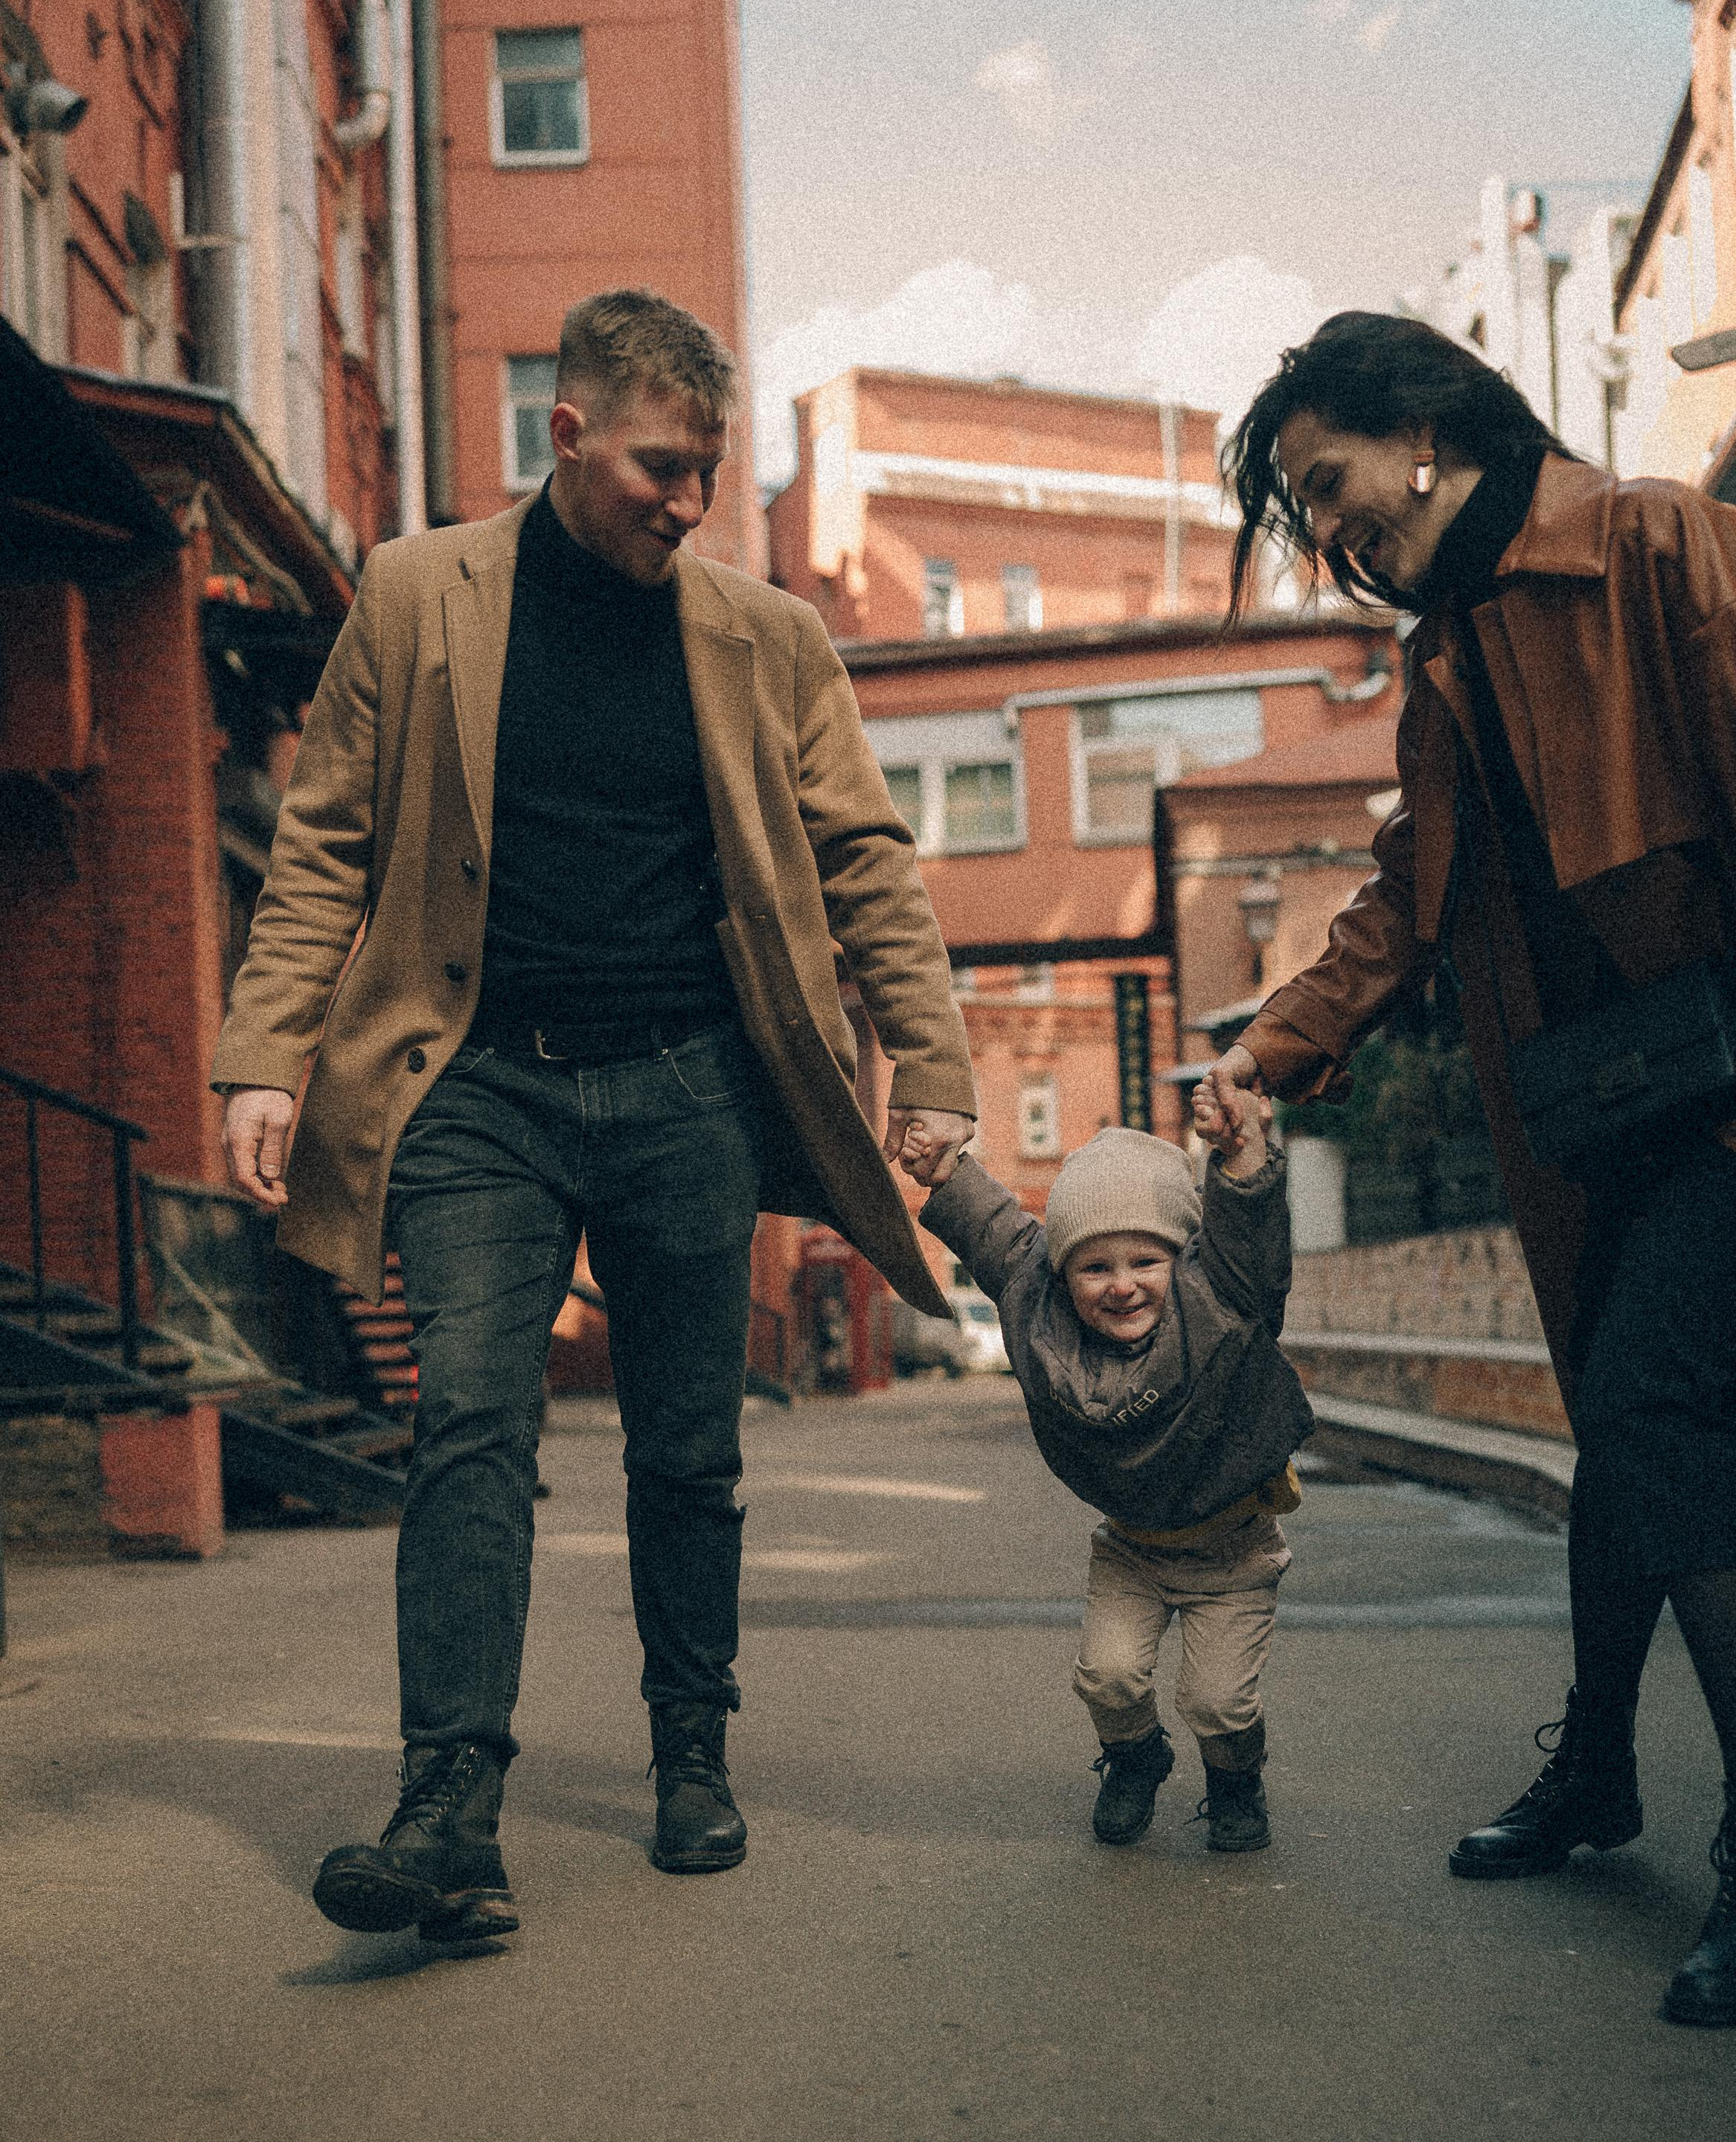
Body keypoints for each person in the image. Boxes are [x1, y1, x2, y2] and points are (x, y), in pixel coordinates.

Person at [213, 290, 976, 1942]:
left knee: (684, 1448)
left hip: (690, 1084)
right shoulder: (421, 596)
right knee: (471, 1425)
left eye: (705, 471)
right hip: (474, 1078)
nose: (685, 503)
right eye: (656, 467)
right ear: (563, 436)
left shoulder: (764, 638)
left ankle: (689, 1753)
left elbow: (863, 863)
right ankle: (447, 1809)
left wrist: (930, 1062)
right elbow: (325, 844)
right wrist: (262, 1055)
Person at [1201, 309, 1736, 2027]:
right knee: (1626, 1433)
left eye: (1328, 481)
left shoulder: (1655, 544)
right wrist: (1267, 1052)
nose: (1330, 530)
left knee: (1650, 1412)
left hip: (1726, 1091)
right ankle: (1595, 1769)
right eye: (1304, 508)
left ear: (1422, 427)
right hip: (1603, 1117)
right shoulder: (1449, 658)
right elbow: (1406, 896)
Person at [918, 1086, 1312, 1852]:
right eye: (1093, 1265)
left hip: (1232, 1546)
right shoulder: (1042, 1305)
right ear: (1062, 1277)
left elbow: (1250, 1236)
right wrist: (944, 1168)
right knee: (1107, 1677)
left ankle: (1235, 1780)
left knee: (1218, 1703)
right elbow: (1000, 1234)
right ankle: (1135, 1758)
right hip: (1131, 1547)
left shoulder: (1223, 1298)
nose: (1121, 1282)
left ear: (1183, 1257)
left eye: (1145, 1259)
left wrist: (1243, 1158)